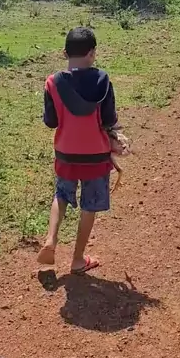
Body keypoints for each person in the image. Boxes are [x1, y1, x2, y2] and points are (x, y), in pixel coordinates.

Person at [37, 26, 118, 274]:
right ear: (92, 53)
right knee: (89, 206)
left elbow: (51, 122)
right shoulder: (103, 81)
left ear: (65, 53)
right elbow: (108, 120)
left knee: (61, 194)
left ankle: (51, 239)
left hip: (66, 153)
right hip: (96, 156)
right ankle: (78, 259)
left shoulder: (52, 83)